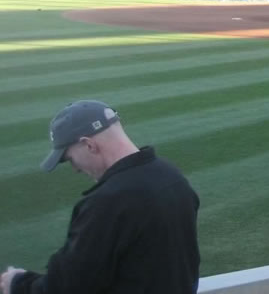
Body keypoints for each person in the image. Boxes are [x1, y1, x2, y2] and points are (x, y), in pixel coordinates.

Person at [2, 101, 199, 294]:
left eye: (70, 158)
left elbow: (69, 286)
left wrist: (18, 284)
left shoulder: (108, 202)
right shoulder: (172, 176)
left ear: (89, 145)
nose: (75, 169)